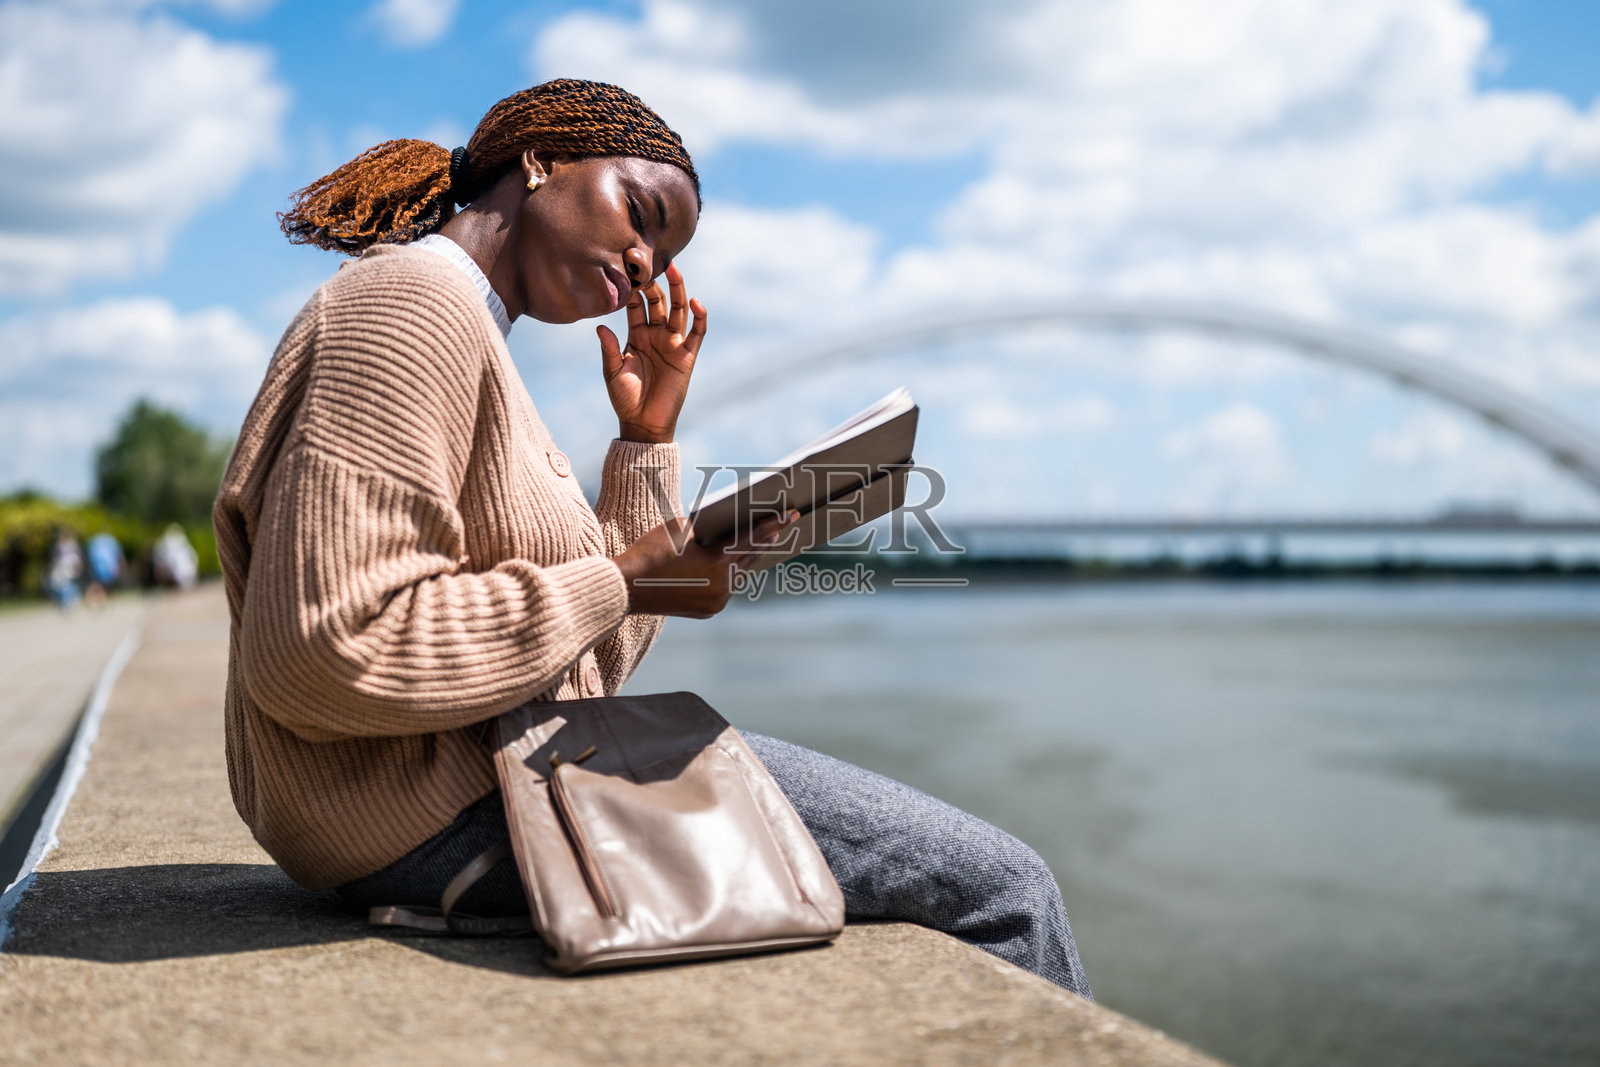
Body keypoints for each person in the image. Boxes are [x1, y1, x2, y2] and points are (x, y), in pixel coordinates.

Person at [214, 78, 1090, 997]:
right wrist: (626, 577)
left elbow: (580, 668)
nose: (644, 263)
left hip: (475, 784)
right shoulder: (412, 302)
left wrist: (645, 445)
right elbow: (326, 648)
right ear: (541, 159)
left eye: (663, 255)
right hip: (444, 809)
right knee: (1009, 891)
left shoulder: (474, 338)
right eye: (640, 215)